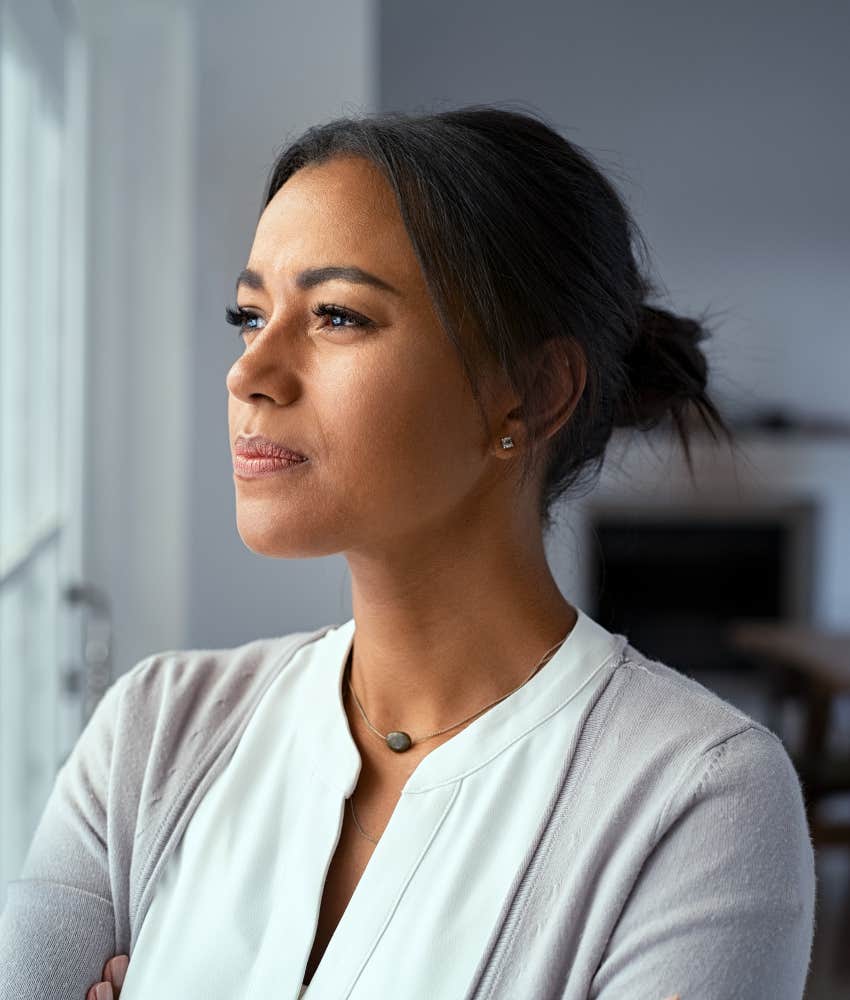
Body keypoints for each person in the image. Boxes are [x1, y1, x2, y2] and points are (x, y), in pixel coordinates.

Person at [1, 105, 815, 1000]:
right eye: (249, 314)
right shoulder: (152, 733)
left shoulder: (700, 799)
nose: (249, 373)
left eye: (338, 316)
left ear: (530, 395)